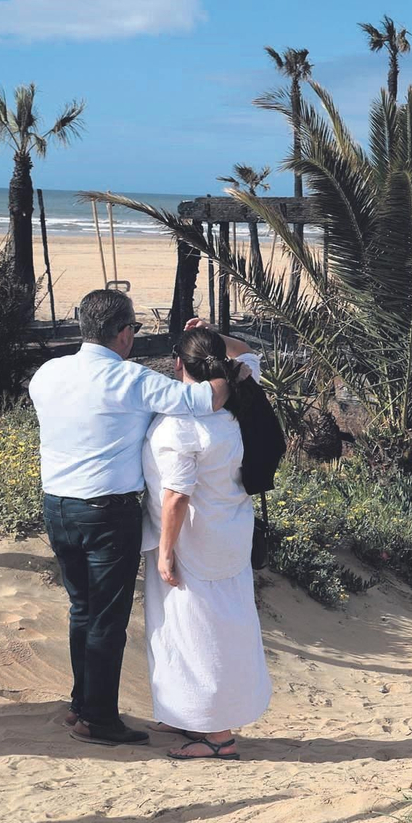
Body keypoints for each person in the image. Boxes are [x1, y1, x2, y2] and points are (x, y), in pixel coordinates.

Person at [29, 290, 234, 746]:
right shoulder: (131, 379)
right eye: (134, 331)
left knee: (82, 608)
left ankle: (82, 703)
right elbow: (209, 401)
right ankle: (98, 719)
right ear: (123, 333)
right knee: (107, 617)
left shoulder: (47, 373)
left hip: (57, 505)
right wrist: (225, 369)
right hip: (108, 512)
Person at [141, 325, 271, 761]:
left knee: (195, 632)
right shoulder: (236, 394)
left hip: (193, 544)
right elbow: (249, 352)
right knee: (222, 626)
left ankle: (217, 735)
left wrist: (164, 550)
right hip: (231, 532)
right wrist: (213, 333)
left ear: (178, 364)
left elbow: (177, 495)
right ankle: (192, 714)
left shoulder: (183, 423)